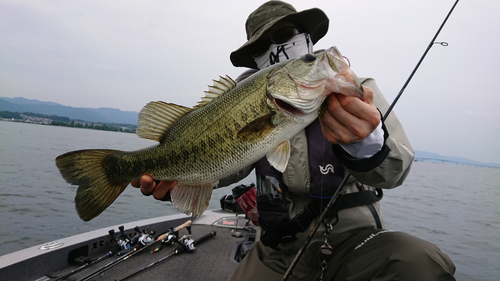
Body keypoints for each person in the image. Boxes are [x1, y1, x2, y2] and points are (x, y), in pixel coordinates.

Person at [132, 1, 456, 280]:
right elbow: (225, 164)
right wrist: (176, 179)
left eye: (285, 34)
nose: (276, 47)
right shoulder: (244, 99)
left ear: (307, 37)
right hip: (275, 250)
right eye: (261, 47)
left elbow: (395, 172)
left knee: (419, 263)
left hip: (350, 242)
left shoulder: (356, 93)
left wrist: (368, 145)